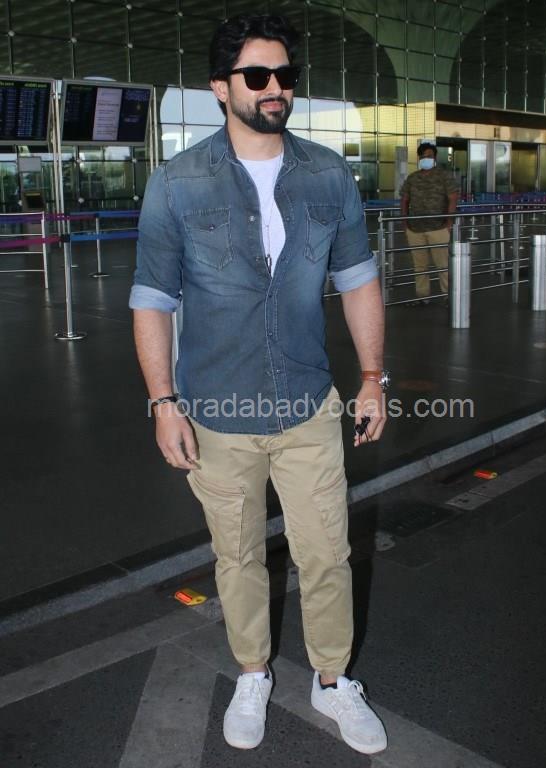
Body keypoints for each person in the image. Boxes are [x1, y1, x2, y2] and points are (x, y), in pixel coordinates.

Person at [130, 14, 389, 756]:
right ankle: (253, 673)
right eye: (256, 76)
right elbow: (152, 300)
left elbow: (358, 281)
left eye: (285, 75)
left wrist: (372, 377)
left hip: (309, 404)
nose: (275, 88)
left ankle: (332, 680)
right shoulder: (177, 183)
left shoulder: (327, 174)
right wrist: (163, 402)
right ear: (221, 88)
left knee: (327, 554)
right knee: (238, 556)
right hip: (215, 411)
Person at [400, 142, 460, 305]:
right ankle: (422, 297)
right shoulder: (413, 178)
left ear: (435, 158)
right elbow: (404, 200)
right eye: (423, 156)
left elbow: (453, 198)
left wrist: (449, 222)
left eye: (429, 156)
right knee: (420, 266)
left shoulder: (444, 176)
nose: (426, 159)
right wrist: (405, 223)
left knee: (443, 265)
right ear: (419, 158)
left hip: (438, 227)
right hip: (415, 229)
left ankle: (448, 296)